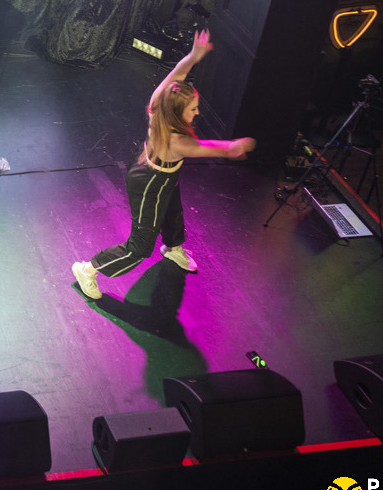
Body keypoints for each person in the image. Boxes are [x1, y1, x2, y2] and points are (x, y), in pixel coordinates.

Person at [71, 30, 256, 300]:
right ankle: (88, 269)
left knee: (172, 210)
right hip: (150, 183)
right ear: (178, 112)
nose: (197, 112)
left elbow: (177, 74)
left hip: (159, 173)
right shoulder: (177, 141)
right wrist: (236, 146)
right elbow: (212, 148)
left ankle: (173, 248)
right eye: (192, 109)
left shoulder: (159, 102)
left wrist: (194, 56)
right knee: (140, 247)